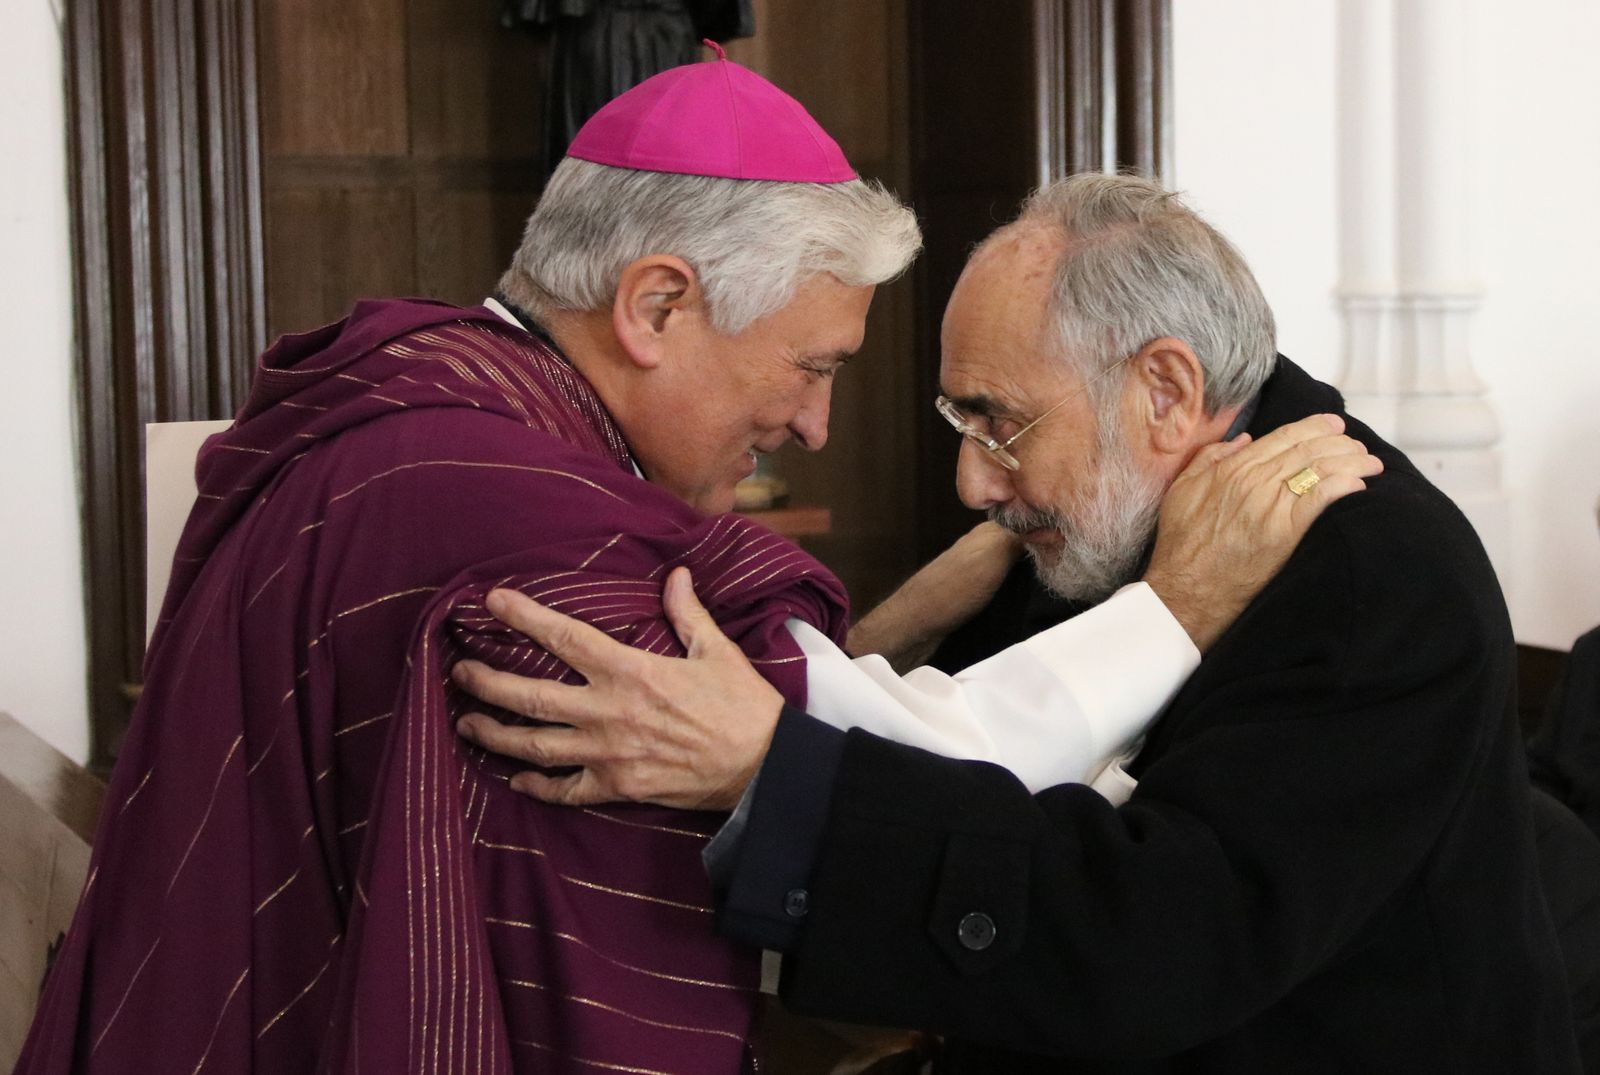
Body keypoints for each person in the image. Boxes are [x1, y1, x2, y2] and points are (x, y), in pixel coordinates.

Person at [17, 57, 1365, 1074]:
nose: (816, 422)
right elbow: (864, 768)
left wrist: (941, 589)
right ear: (657, 303)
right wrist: (1179, 608)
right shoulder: (543, 533)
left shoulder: (409, 417)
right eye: (812, 364)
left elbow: (786, 716)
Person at [452, 174, 1580, 1070]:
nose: (972, 483)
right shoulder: (1107, 504)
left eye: (996, 423)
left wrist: (771, 769)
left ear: (1167, 390)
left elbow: (1155, 942)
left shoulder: (1368, 572)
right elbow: (967, 756)